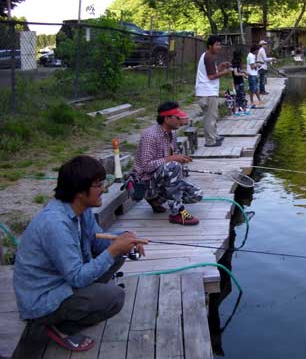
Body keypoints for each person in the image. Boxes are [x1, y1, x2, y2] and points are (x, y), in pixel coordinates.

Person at [13, 155, 147, 352]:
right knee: (114, 297)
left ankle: (81, 306)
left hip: (63, 280)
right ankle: (60, 327)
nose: (104, 189)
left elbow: (95, 240)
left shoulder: (81, 210)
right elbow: (76, 277)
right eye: (97, 185)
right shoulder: (55, 224)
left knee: (118, 252)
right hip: (41, 299)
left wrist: (124, 238)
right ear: (79, 191)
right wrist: (115, 247)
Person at [131, 101, 203, 225]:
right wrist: (172, 159)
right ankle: (178, 213)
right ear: (167, 118)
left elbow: (172, 160)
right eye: (177, 117)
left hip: (161, 179)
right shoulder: (150, 135)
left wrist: (181, 159)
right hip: (145, 182)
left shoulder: (172, 134)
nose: (180, 121)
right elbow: (146, 166)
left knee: (197, 194)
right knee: (173, 165)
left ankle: (156, 201)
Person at [195, 35, 231, 147]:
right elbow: (211, 76)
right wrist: (225, 72)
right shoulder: (209, 57)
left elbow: (211, 73)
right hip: (207, 92)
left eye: (220, 44)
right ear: (210, 46)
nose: (219, 47)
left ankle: (214, 136)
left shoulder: (208, 56)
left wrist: (220, 67)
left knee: (212, 116)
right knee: (210, 117)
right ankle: (210, 141)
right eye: (217, 44)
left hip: (207, 91)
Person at [231, 48, 249, 115]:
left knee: (242, 95)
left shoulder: (237, 63)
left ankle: (243, 109)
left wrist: (244, 72)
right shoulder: (235, 63)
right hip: (237, 82)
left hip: (240, 81)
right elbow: (235, 73)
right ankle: (237, 111)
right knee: (239, 96)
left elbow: (238, 71)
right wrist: (243, 74)